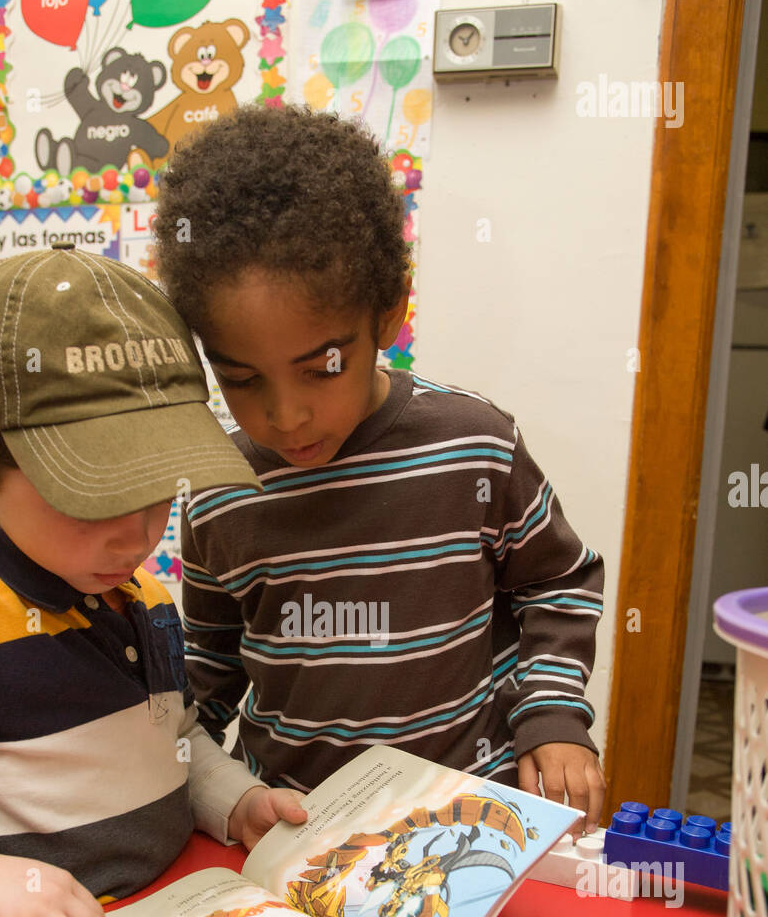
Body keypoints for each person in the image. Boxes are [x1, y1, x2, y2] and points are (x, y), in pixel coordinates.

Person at [153, 105, 606, 831]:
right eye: (241, 379)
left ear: (387, 317)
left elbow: (559, 579)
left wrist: (551, 714)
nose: (287, 415)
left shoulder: (474, 446)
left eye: (320, 369)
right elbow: (209, 667)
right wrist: (194, 782)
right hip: (297, 837)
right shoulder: (216, 492)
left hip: (466, 821)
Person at [0, 244, 306, 917]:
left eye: (157, 488)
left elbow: (172, 737)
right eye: (93, 495)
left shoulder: (144, 597)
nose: (137, 532)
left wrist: (231, 797)